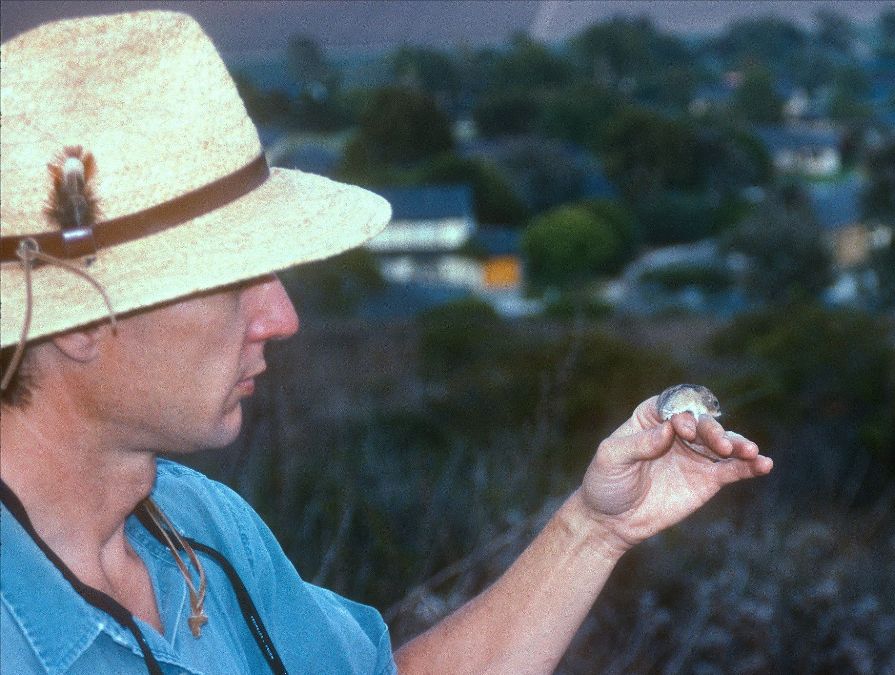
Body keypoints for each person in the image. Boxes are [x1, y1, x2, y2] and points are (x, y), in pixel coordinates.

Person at [0, 11, 772, 675]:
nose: (282, 316)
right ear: (80, 324)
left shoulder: (200, 526)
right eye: (237, 282)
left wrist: (595, 529)